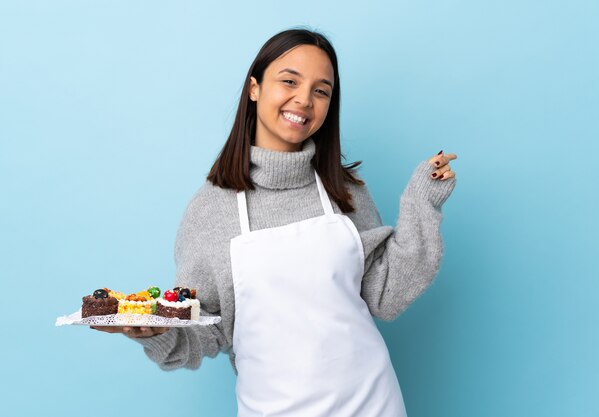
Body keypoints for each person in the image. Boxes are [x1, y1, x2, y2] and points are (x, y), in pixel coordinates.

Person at [92, 27, 457, 417]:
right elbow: (208, 328)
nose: (304, 99)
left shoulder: (344, 190)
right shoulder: (210, 210)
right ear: (254, 88)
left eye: (321, 90)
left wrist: (423, 202)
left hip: (373, 405)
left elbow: (385, 295)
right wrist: (157, 333)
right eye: (289, 81)